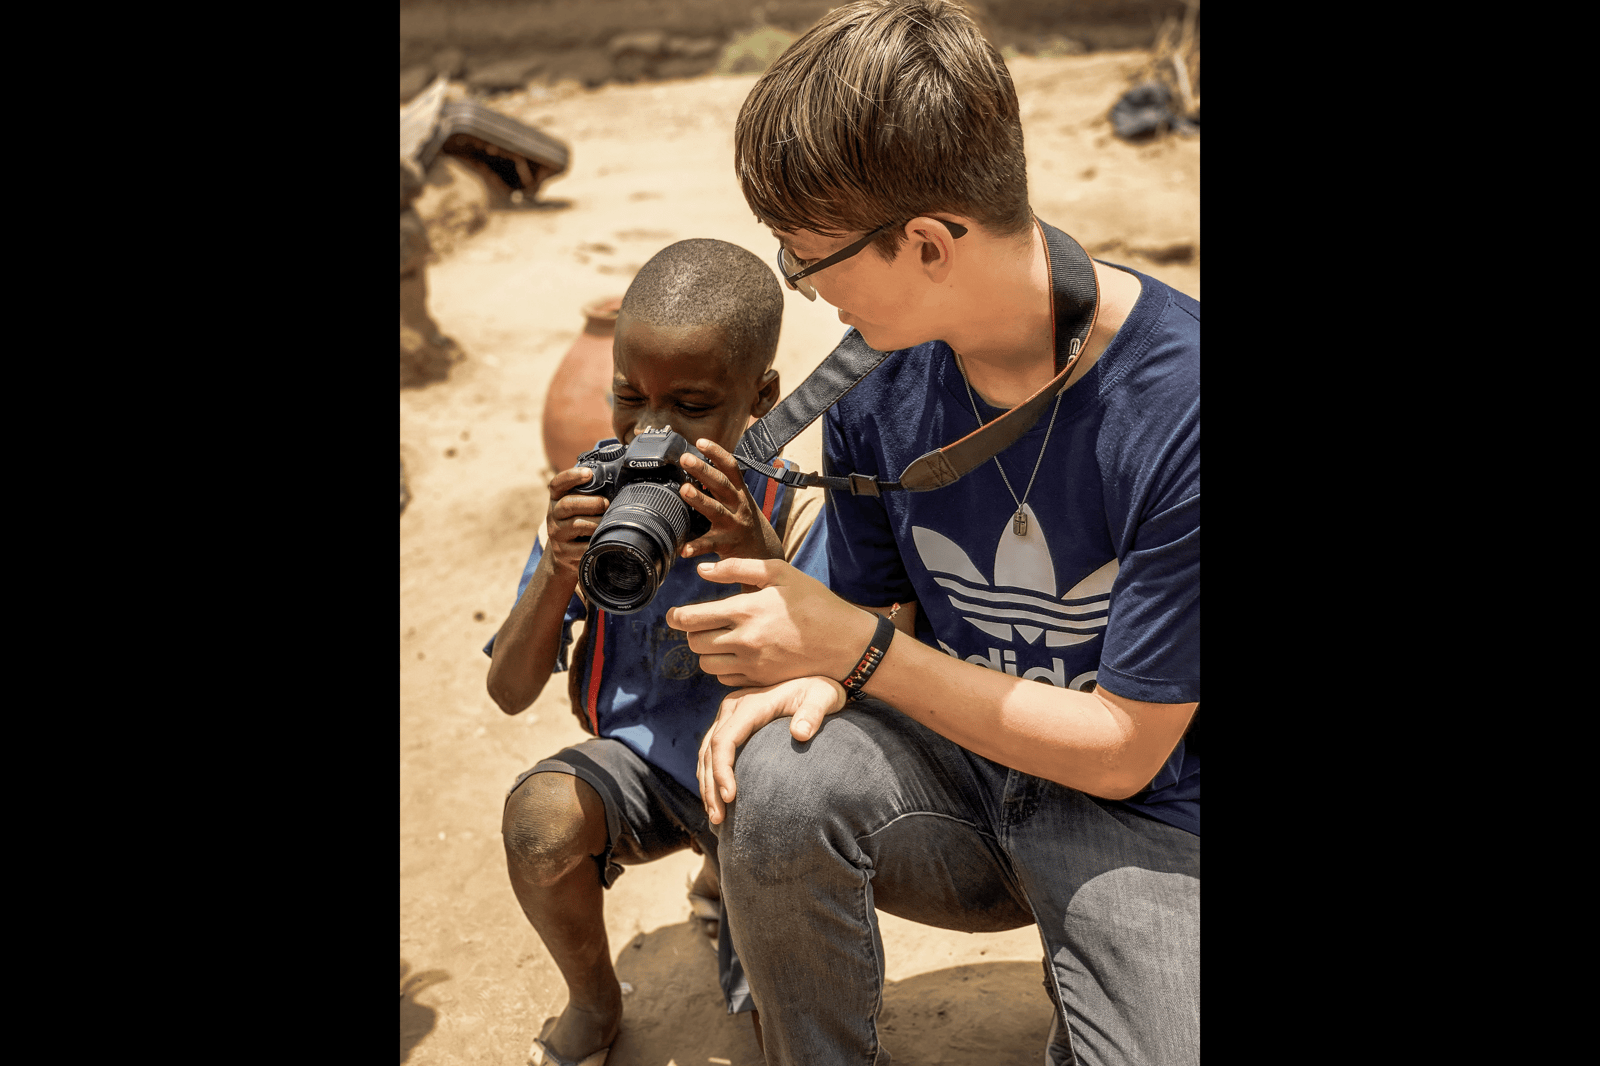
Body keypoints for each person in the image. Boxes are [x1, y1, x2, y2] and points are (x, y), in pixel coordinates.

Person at [663, 3, 1200, 1064]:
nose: (805, 287)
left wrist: (853, 651)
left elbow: (1127, 753)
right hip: (962, 778)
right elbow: (877, 613)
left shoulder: (1178, 403)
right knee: (774, 772)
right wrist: (813, 670)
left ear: (925, 243)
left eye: (807, 257)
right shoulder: (873, 378)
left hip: (1143, 812)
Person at [485, 239, 829, 1066]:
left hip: (758, 786)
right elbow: (509, 690)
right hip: (639, 766)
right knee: (538, 824)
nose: (651, 431)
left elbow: (827, 682)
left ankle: (728, 882)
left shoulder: (792, 507)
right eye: (628, 397)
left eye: (693, 404)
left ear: (762, 398)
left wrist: (752, 551)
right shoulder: (594, 502)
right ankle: (595, 999)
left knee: (772, 1041)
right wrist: (559, 571)